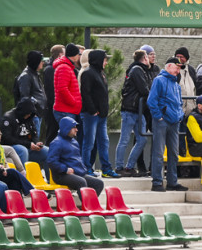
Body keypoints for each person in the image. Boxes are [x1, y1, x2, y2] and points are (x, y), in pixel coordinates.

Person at [148, 57, 187, 193]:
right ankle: (157, 182)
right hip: (163, 122)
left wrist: (179, 116)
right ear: (169, 66)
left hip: (174, 121)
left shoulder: (176, 84)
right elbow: (151, 100)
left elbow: (179, 102)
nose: (178, 70)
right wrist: (159, 117)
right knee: (158, 153)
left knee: (174, 154)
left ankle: (172, 182)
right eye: (176, 67)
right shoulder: (159, 80)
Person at [78, 49, 118, 177]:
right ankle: (86, 168)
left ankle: (106, 168)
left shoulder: (101, 73)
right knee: (88, 142)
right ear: (98, 60)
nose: (106, 63)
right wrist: (93, 110)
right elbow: (85, 93)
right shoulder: (88, 73)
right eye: (104, 60)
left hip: (101, 115)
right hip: (91, 114)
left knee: (103, 142)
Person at [116, 50, 152, 176]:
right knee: (124, 140)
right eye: (148, 57)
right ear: (144, 58)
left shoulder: (143, 71)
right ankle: (119, 167)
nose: (150, 59)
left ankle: (129, 167)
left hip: (139, 110)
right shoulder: (137, 70)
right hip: (130, 110)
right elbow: (144, 89)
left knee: (142, 140)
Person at [47, 116, 103, 196]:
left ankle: (91, 204)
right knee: (81, 182)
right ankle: (86, 206)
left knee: (98, 183)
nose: (76, 129)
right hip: (61, 175)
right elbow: (51, 161)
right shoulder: (57, 143)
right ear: (66, 128)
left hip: (76, 173)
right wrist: (65, 169)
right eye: (73, 127)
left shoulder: (74, 141)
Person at [1, 98, 41, 169]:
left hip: (28, 146)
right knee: (23, 150)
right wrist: (27, 144)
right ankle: (22, 177)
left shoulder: (29, 118)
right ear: (23, 111)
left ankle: (51, 178)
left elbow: (34, 133)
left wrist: (36, 143)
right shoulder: (8, 118)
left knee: (46, 152)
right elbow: (7, 139)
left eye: (30, 114)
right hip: (13, 146)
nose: (29, 115)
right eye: (28, 113)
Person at [53, 43, 82, 129]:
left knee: (69, 137)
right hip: (65, 110)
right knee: (67, 137)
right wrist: (73, 102)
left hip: (67, 109)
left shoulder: (66, 67)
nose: (79, 57)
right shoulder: (64, 68)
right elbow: (62, 89)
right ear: (74, 55)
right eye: (78, 54)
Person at [40, 44, 65, 143]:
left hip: (57, 107)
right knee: (52, 134)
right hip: (52, 109)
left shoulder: (58, 68)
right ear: (59, 55)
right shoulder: (50, 70)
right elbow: (50, 91)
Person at [15, 50, 47, 122]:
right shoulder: (26, 76)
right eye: (41, 60)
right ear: (36, 62)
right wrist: (32, 112)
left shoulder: (35, 74)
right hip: (33, 116)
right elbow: (25, 97)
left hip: (38, 114)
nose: (43, 62)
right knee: (33, 133)